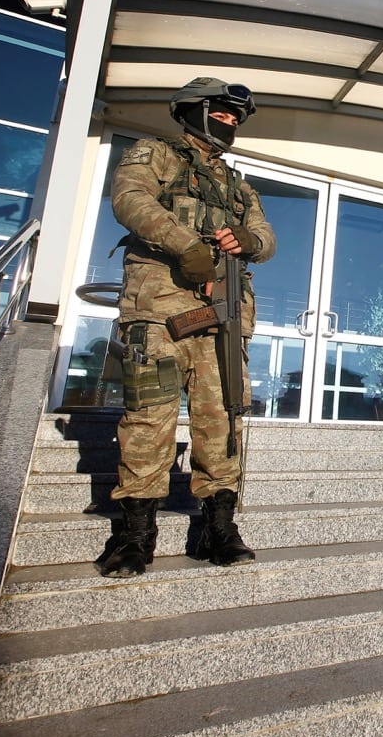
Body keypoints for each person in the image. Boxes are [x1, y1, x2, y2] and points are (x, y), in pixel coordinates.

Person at [100, 77, 277, 578]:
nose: (230, 122)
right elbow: (130, 201)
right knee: (148, 417)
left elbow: (266, 238)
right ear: (192, 110)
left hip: (221, 318)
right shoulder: (153, 153)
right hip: (159, 310)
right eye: (220, 112)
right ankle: (136, 534)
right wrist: (186, 244)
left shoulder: (238, 185)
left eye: (235, 116)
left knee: (223, 419)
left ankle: (216, 527)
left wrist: (247, 239)